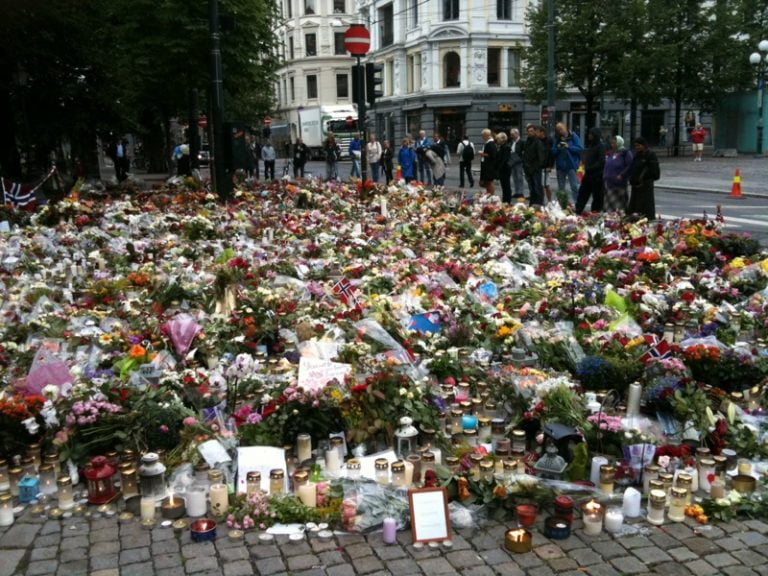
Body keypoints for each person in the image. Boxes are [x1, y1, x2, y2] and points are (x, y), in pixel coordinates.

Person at [627, 137, 660, 221]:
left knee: (646, 204)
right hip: (636, 185)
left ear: (644, 145)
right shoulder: (637, 155)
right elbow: (633, 167)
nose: (637, 147)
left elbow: (654, 171)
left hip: (646, 184)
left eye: (639, 145)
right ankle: (635, 217)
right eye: (635, 146)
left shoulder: (650, 155)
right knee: (635, 204)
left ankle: (646, 218)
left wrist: (643, 177)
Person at [575, 127, 606, 214]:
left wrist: (590, 167)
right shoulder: (591, 145)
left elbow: (601, 162)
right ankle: (578, 211)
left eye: (591, 134)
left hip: (597, 176)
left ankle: (595, 213)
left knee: (597, 197)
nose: (589, 136)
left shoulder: (600, 146)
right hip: (588, 175)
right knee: (582, 194)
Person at [551, 122, 583, 203]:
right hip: (560, 165)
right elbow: (553, 152)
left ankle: (577, 203)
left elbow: (579, 149)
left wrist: (569, 147)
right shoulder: (557, 138)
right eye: (558, 130)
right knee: (561, 187)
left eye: (561, 129)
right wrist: (558, 147)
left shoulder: (573, 136)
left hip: (571, 164)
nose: (560, 131)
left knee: (574, 186)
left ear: (565, 127)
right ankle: (562, 203)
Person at [603, 135, 633, 213]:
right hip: (609, 183)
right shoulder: (610, 153)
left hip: (620, 185)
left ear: (619, 143)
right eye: (611, 143)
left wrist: (622, 175)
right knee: (608, 206)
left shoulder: (625, 153)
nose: (612, 145)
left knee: (619, 208)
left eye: (614, 143)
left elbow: (630, 166)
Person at [522, 125, 546, 205]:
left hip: (535, 169)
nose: (529, 133)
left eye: (531, 131)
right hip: (528, 168)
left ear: (535, 131)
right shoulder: (527, 142)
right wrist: (525, 166)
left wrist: (535, 167)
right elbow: (525, 155)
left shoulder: (538, 142)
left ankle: (539, 204)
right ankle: (532, 203)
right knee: (531, 188)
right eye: (528, 131)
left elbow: (541, 157)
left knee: (537, 187)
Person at [479, 129, 498, 196]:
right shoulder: (488, 143)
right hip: (486, 165)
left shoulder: (491, 143)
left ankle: (492, 195)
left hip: (489, 166)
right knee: (487, 181)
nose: (482, 138)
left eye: (483, 136)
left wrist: (483, 154)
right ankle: (489, 195)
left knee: (489, 181)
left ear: (486, 135)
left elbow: (493, 155)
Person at [495, 131, 513, 203]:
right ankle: (505, 200)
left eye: (498, 139)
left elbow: (504, 160)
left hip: (505, 169)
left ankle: (507, 201)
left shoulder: (506, 147)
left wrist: (499, 168)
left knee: (506, 186)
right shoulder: (502, 147)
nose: (497, 141)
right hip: (503, 169)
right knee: (504, 186)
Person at [508, 129, 525, 199]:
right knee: (514, 177)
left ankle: (520, 192)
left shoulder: (522, 142)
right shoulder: (512, 142)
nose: (512, 136)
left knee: (519, 177)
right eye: (511, 135)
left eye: (513, 135)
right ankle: (517, 191)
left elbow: (523, 152)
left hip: (519, 162)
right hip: (513, 162)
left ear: (517, 134)